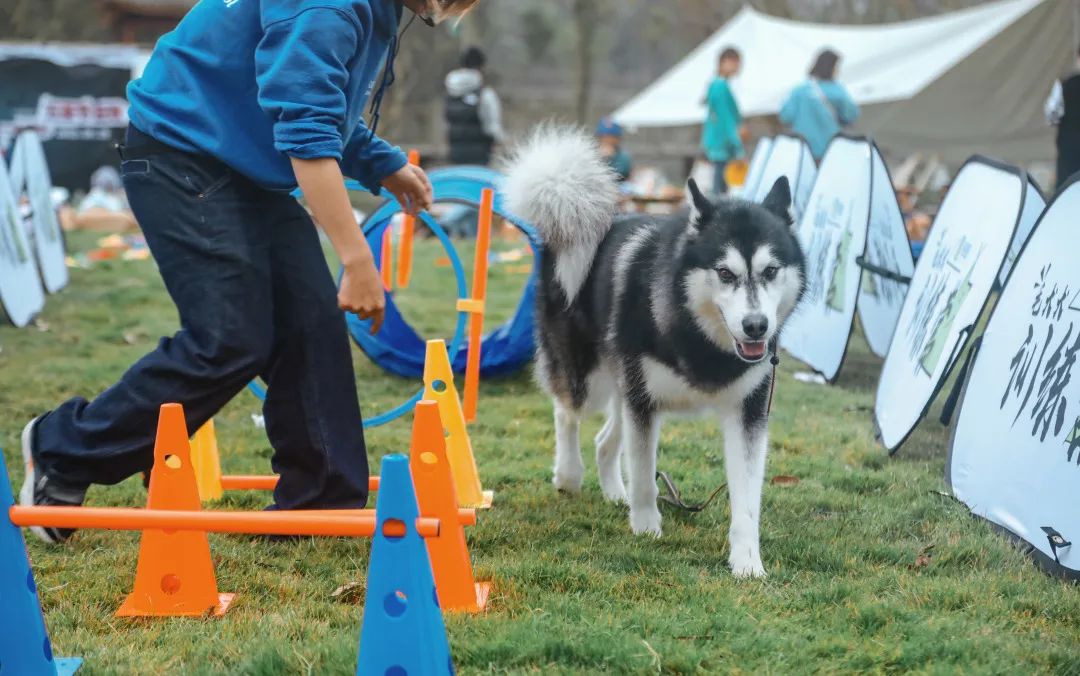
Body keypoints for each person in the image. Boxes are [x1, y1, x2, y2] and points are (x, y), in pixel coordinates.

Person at [19, 0, 479, 545]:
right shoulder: (329, 5)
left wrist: (382, 161)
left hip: (243, 166)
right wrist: (357, 260)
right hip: (180, 154)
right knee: (230, 338)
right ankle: (62, 450)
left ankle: (321, 501)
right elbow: (305, 128)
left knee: (311, 323)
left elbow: (302, 100)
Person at [779, 49, 859, 161]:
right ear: (831, 67)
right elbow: (851, 115)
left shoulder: (799, 90)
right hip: (830, 150)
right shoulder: (838, 91)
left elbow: (786, 116)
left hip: (803, 151)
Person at [445, 46, 505, 166]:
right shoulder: (486, 94)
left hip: (455, 154)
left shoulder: (450, 90)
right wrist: (501, 140)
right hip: (480, 156)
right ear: (481, 66)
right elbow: (492, 127)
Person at [701, 47, 744, 195]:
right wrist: (738, 148)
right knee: (719, 194)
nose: (739, 66)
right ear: (724, 62)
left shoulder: (717, 85)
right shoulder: (719, 86)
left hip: (721, 147)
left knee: (720, 191)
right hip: (722, 147)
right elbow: (726, 120)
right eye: (736, 62)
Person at [1045, 46, 1080, 189]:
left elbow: (1051, 117)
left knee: (1067, 193)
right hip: (1069, 151)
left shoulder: (1064, 85)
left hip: (1069, 151)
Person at [595, 117, 633, 182]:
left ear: (618, 139)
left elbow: (628, 178)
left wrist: (611, 159)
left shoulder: (624, 157)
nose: (607, 140)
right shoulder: (592, 155)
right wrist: (602, 158)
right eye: (604, 136)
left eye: (612, 137)